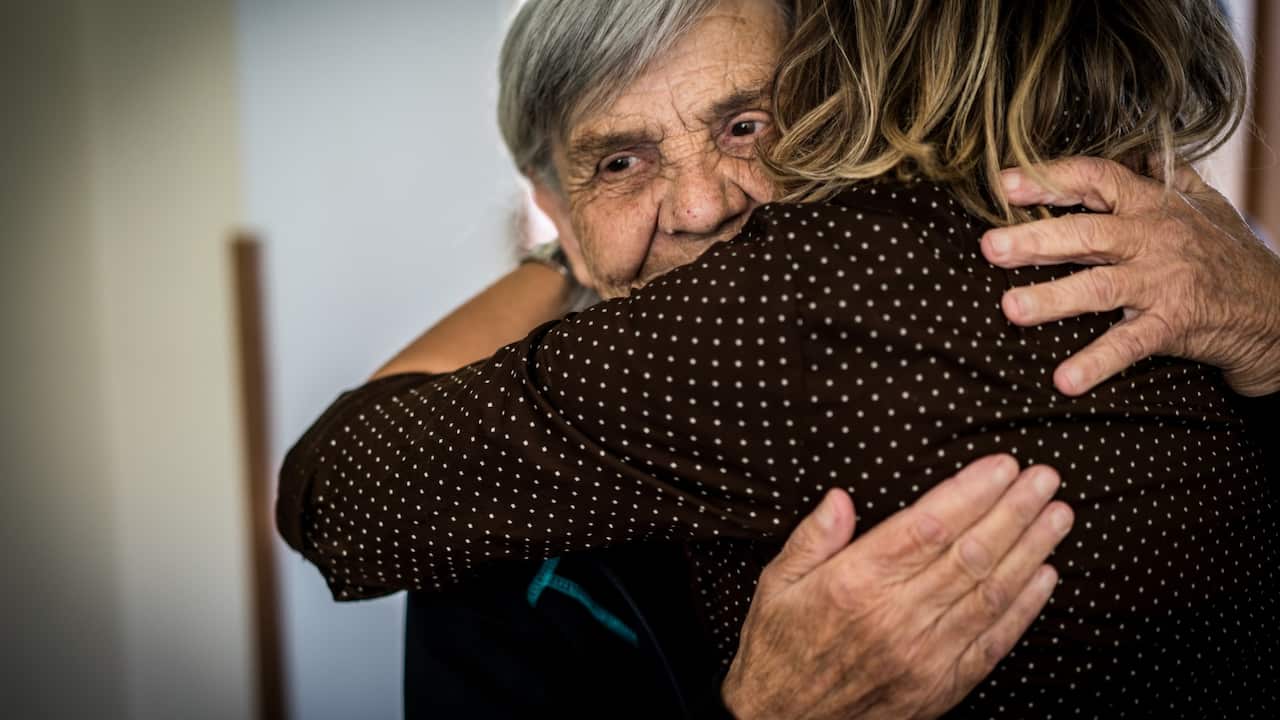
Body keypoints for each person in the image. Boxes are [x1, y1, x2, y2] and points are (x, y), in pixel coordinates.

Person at [278, 0, 1280, 716]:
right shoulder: (481, 542)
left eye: (746, 126)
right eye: (618, 163)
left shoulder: (825, 312)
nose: (706, 205)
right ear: (551, 204)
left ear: (836, 123)